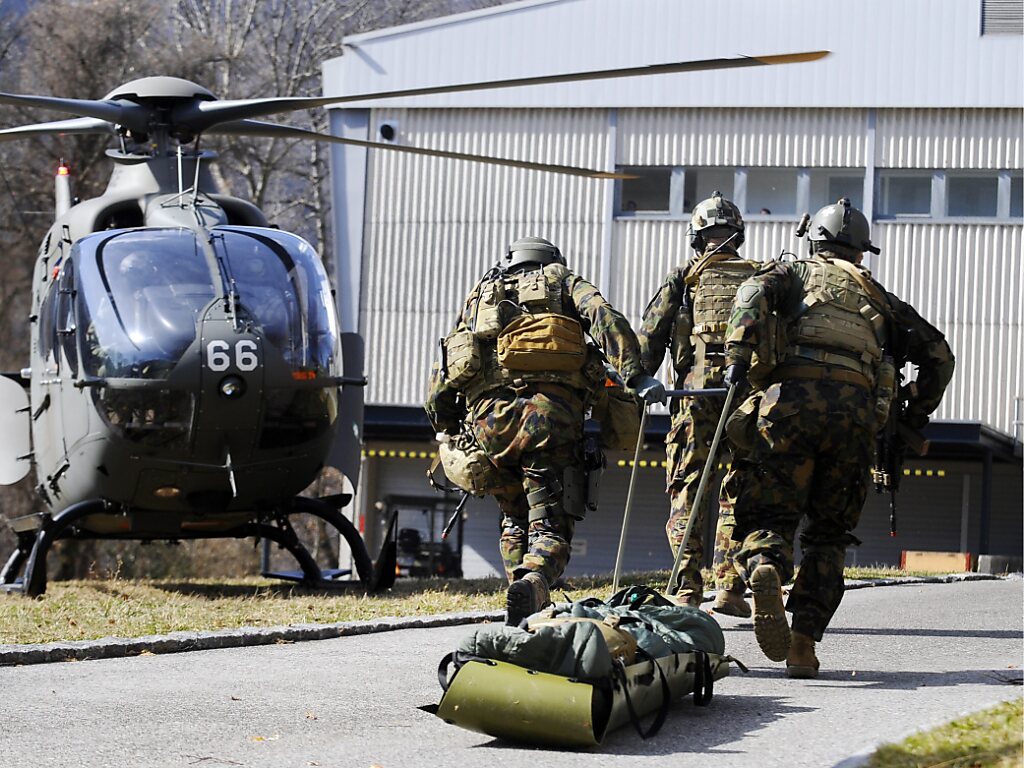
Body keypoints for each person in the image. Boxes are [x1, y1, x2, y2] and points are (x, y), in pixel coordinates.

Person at [722, 198, 955, 677]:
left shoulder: (791, 273)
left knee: (769, 513)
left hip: (787, 405)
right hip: (854, 418)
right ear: (861, 252)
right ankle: (803, 645)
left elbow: (750, 291)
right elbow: (940, 356)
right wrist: (913, 414)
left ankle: (766, 564)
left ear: (814, 241)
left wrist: (737, 356)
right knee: (829, 535)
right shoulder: (881, 299)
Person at [425, 236, 665, 626]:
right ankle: (534, 581)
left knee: (513, 518)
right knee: (550, 526)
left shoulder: (480, 297)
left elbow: (445, 369)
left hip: (491, 424)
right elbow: (603, 316)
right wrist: (635, 375)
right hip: (550, 419)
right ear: (552, 259)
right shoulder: (562, 280)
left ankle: (522, 610)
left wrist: (448, 427)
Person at [637, 192, 758, 616]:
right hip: (747, 397)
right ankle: (730, 587)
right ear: (738, 234)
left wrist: (640, 380)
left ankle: (687, 588)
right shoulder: (759, 279)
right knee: (739, 488)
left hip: (693, 397)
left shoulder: (684, 277)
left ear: (696, 235)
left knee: (687, 488)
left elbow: (648, 341)